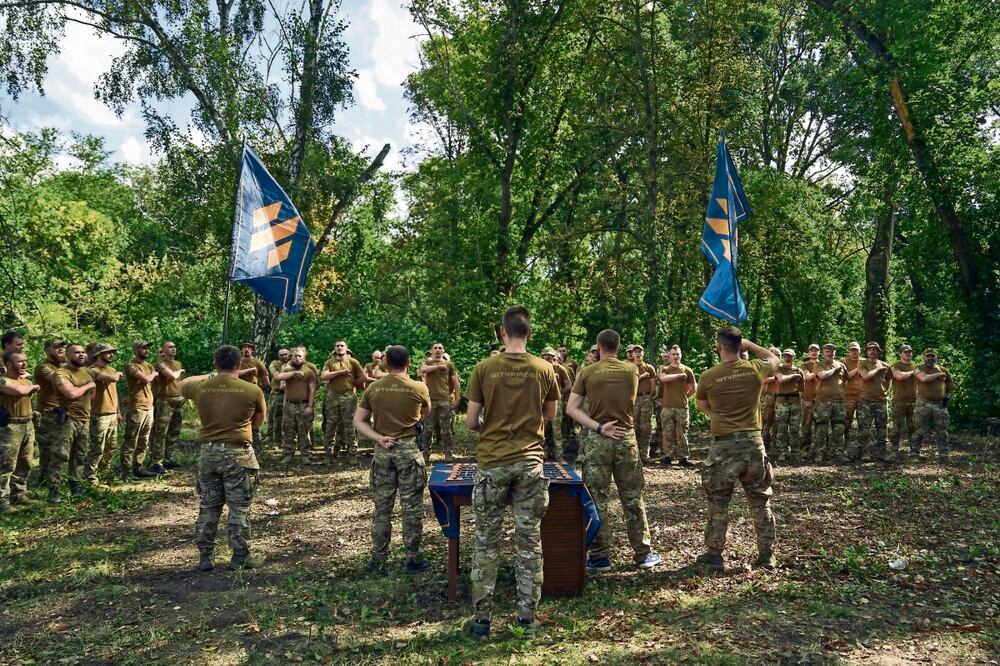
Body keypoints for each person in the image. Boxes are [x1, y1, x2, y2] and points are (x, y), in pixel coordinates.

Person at [464, 305, 559, 640]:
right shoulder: (545, 368)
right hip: (530, 463)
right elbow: (550, 414)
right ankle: (527, 620)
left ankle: (481, 622)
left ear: (502, 332)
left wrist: (492, 426)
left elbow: (470, 421)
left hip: (493, 463)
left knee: (486, 543)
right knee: (529, 542)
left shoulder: (484, 368)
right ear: (529, 332)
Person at [567, 329, 662, 574]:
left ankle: (599, 557)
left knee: (597, 498)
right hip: (625, 437)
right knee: (632, 496)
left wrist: (598, 427)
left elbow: (572, 408)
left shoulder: (587, 372)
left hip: (599, 438)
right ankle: (643, 553)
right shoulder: (632, 370)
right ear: (619, 348)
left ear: (599, 348)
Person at [694, 326, 779, 571]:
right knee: (760, 501)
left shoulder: (709, 375)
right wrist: (749, 345)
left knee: (718, 501)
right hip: (753, 443)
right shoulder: (755, 369)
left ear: (719, 347)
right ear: (739, 346)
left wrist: (717, 416)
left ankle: (714, 555)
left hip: (724, 446)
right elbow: (774, 358)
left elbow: (701, 404)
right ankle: (767, 556)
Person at [181, 345, 265, 571]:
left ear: (215, 364)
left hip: (208, 453)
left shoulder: (201, 387)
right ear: (239, 365)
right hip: (239, 454)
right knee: (239, 507)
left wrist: (211, 376)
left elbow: (182, 383)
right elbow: (258, 421)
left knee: (209, 505)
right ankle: (239, 557)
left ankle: (205, 557)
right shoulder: (252, 390)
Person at [353, 344, 433, 575]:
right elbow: (425, 412)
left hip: (383, 453)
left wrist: (379, 438)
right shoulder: (418, 387)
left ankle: (378, 562)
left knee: (382, 510)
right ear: (408, 363)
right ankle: (413, 559)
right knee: (412, 509)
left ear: (386, 363)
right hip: (409, 452)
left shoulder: (374, 388)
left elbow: (358, 421)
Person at [51, 343, 97, 501]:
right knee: (61, 455)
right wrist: (88, 385)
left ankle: (75, 484)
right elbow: (70, 393)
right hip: (68, 419)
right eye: (77, 352)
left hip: (84, 418)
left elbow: (92, 395)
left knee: (80, 455)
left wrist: (87, 389)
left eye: (83, 352)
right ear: (68, 355)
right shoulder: (61, 373)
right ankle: (54, 488)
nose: (81, 355)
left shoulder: (87, 372)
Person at [0, 351, 40, 512]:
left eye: (25, 361)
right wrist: (33, 387)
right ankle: (2, 500)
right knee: (6, 464)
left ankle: (18, 493)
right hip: (10, 427)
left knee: (25, 461)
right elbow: (19, 391)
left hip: (27, 424)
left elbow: (29, 399)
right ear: (8, 364)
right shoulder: (2, 381)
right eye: (20, 361)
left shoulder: (26, 381)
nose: (24, 364)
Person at [321, 340, 365, 462]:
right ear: (335, 348)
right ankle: (328, 455)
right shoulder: (329, 362)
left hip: (348, 396)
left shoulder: (353, 362)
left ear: (346, 348)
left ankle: (352, 454)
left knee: (350, 425)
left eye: (342, 346)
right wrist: (340, 372)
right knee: (330, 425)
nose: (340, 348)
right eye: (337, 346)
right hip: (332, 395)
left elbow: (363, 377)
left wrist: (353, 383)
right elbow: (323, 376)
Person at [419, 342, 461, 464]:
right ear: (432, 351)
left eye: (440, 348)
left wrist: (457, 398)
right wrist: (437, 367)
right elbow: (422, 370)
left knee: (446, 430)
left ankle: (448, 454)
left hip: (444, 400)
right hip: (430, 401)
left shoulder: (448, 364)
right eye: (435, 348)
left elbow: (455, 382)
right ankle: (426, 455)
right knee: (428, 430)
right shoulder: (428, 363)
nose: (438, 350)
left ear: (443, 351)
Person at [33, 339, 67, 487]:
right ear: (47, 351)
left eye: (63, 347)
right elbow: (58, 379)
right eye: (56, 347)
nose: (61, 349)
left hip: (64, 412)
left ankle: (58, 478)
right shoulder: (43, 367)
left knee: (62, 448)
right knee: (47, 449)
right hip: (48, 413)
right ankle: (44, 479)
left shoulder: (65, 367)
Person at [86, 343, 121, 485]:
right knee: (97, 448)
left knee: (111, 447)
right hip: (99, 415)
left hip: (112, 414)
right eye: (108, 352)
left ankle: (105, 474)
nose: (111, 355)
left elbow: (114, 392)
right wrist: (118, 374)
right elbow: (112, 379)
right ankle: (91, 478)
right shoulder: (92, 370)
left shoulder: (111, 369)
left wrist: (118, 411)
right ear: (99, 355)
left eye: (112, 352)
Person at [122, 341, 158, 481]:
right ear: (136, 350)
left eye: (147, 348)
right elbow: (145, 379)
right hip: (137, 407)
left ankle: (139, 468)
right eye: (143, 348)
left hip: (149, 406)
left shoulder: (148, 366)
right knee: (131, 440)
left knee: (144, 440)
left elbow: (152, 384)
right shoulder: (131, 366)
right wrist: (154, 374)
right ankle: (126, 471)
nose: (147, 350)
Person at [277, 347, 318, 465]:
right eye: (295, 356)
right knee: (288, 430)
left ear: (304, 358)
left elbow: (312, 390)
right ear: (292, 357)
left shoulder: (309, 372)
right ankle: (289, 454)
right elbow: (278, 377)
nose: (297, 358)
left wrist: (310, 406)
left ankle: (305, 455)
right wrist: (294, 373)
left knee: (304, 431)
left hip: (303, 405)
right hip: (289, 405)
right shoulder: (287, 370)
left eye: (300, 356)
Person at [911, 349, 955, 461]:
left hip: (940, 405)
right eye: (928, 356)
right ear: (924, 357)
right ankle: (914, 454)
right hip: (923, 403)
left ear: (936, 357)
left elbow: (950, 384)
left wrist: (943, 393)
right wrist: (938, 375)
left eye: (933, 356)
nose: (930, 358)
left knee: (942, 431)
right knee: (919, 430)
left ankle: (944, 456)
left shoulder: (943, 369)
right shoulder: (918, 368)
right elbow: (923, 378)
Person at [657, 346, 696, 467]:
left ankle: (683, 457)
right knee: (667, 432)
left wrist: (684, 397)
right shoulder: (664, 369)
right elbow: (663, 378)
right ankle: (668, 456)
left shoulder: (687, 370)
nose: (675, 356)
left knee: (682, 433)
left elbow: (693, 387)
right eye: (673, 354)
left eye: (677, 354)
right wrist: (679, 376)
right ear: (669, 356)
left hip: (682, 407)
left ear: (681, 355)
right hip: (667, 407)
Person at [812, 344, 849, 464]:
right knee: (821, 427)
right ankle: (819, 454)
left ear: (835, 353)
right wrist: (834, 370)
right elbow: (823, 375)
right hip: (823, 401)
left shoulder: (841, 365)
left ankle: (839, 453)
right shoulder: (819, 364)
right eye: (827, 351)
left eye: (832, 352)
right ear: (824, 353)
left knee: (839, 428)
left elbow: (846, 379)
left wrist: (840, 391)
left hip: (838, 401)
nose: (830, 354)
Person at [152, 341, 185, 472]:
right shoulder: (160, 364)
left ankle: (168, 459)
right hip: (165, 402)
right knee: (161, 433)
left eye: (174, 346)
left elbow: (179, 381)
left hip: (178, 401)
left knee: (174, 431)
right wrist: (180, 371)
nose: (173, 349)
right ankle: (157, 462)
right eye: (170, 347)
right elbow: (172, 376)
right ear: (163, 350)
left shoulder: (178, 363)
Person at [857, 342, 892, 462]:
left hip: (881, 401)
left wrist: (883, 390)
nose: (872, 351)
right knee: (864, 428)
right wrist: (877, 369)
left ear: (878, 352)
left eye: (875, 349)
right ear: (866, 352)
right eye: (870, 349)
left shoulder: (885, 365)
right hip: (865, 400)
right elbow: (866, 376)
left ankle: (881, 453)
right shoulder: (862, 363)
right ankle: (865, 453)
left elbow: (888, 380)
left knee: (882, 429)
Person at [772, 349, 804, 464]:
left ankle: (795, 453)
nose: (787, 358)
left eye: (790, 356)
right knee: (782, 428)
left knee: (795, 429)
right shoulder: (778, 368)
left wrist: (798, 377)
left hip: (795, 401)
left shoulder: (799, 370)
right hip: (782, 402)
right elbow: (781, 379)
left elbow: (802, 387)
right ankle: (781, 452)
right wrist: (793, 376)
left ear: (794, 357)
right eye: (785, 356)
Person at [237, 342, 270, 451]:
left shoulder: (258, 363)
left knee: (255, 423)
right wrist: (249, 370)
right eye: (244, 347)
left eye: (249, 347)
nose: (246, 349)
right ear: (241, 350)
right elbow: (233, 374)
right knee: (239, 422)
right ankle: (240, 447)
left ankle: (256, 449)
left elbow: (266, 382)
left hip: (253, 398)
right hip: (238, 396)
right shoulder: (237, 362)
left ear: (252, 350)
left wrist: (256, 391)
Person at [541, 347, 571, 462]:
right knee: (544, 429)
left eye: (550, 355)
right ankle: (545, 452)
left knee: (557, 429)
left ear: (554, 356)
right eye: (546, 355)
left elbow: (568, 386)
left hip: (556, 402)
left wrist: (558, 394)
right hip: (542, 402)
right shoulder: (539, 368)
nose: (548, 357)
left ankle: (559, 455)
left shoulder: (560, 368)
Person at [630, 344, 657, 464]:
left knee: (646, 427)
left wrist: (649, 396)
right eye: (635, 351)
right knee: (633, 427)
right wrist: (641, 377)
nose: (638, 353)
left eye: (640, 351)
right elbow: (629, 383)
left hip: (646, 398)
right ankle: (633, 455)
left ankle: (644, 454)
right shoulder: (629, 368)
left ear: (643, 353)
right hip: (633, 399)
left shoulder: (649, 367)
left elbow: (653, 384)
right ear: (632, 354)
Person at [890, 345, 917, 460]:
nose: (908, 354)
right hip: (899, 401)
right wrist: (913, 372)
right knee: (897, 427)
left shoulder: (916, 366)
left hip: (914, 402)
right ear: (900, 354)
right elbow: (899, 376)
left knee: (914, 427)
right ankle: (894, 451)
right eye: (905, 352)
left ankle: (914, 451)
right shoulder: (895, 366)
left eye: (910, 352)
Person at [798, 344, 821, 458]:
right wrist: (820, 372)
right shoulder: (804, 365)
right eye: (812, 351)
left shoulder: (824, 364)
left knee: (820, 425)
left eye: (816, 350)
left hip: (821, 399)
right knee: (806, 424)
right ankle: (804, 449)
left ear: (819, 352)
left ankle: (818, 450)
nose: (814, 352)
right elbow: (807, 377)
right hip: (808, 398)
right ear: (808, 353)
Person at [841, 341, 863, 461]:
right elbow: (845, 376)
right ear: (849, 351)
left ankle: (862, 451)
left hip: (863, 397)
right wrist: (857, 369)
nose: (854, 352)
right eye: (852, 350)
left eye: (856, 350)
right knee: (845, 424)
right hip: (848, 397)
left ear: (860, 351)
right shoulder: (843, 361)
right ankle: (843, 450)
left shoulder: (865, 361)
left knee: (863, 424)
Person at [266, 348, 290, 447]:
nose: (284, 356)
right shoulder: (274, 363)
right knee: (273, 415)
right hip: (276, 392)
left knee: (287, 417)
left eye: (286, 354)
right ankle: (271, 436)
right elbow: (276, 376)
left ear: (289, 355)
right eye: (281, 355)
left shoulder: (293, 364)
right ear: (278, 356)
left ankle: (285, 439)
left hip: (289, 393)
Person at [760, 346, 781, 454]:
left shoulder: (782, 367)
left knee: (778, 423)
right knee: (765, 422)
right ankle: (763, 446)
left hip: (781, 398)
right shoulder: (765, 367)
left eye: (779, 355)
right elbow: (762, 380)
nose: (777, 357)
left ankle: (775, 447)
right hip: (767, 397)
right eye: (775, 355)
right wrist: (776, 378)